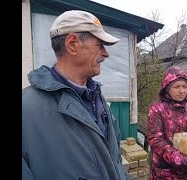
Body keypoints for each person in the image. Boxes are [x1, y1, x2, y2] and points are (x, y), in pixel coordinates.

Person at [22, 10, 129, 180]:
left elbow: (115, 161)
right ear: (72, 44)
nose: (105, 54)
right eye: (99, 45)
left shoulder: (97, 98)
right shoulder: (26, 108)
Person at [147, 66, 187, 179]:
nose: (181, 91)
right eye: (177, 87)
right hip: (168, 172)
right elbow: (155, 140)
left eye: (184, 86)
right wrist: (185, 160)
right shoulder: (157, 108)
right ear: (167, 88)